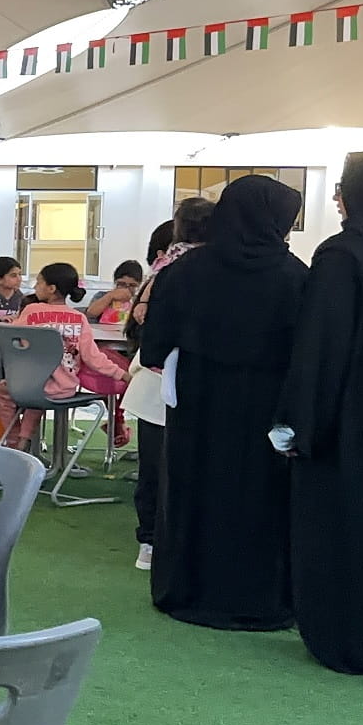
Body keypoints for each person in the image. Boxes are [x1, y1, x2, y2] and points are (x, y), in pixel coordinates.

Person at [140, 175, 307, 632]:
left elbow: (152, 346)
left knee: (194, 488)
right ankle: (256, 596)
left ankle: (188, 588)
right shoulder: (296, 277)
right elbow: (308, 355)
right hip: (266, 409)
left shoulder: (186, 271)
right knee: (259, 497)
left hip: (198, 402)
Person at [276, 152, 363, 673]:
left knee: (342, 527)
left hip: (347, 423)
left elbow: (321, 349)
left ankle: (345, 634)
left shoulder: (342, 255)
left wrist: (297, 428)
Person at [120, 198, 212, 571]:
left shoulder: (164, 269)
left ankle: (152, 541)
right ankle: (162, 541)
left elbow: (141, 328)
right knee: (180, 468)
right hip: (183, 382)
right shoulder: (193, 269)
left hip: (155, 381)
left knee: (155, 469)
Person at [0, 263, 129, 451]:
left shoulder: (31, 311)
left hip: (28, 386)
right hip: (64, 389)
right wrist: (122, 374)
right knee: (41, 391)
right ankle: (24, 439)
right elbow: (93, 358)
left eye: (38, 282)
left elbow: (16, 340)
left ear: (51, 288)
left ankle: (15, 440)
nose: (34, 287)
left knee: (3, 391)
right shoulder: (79, 318)